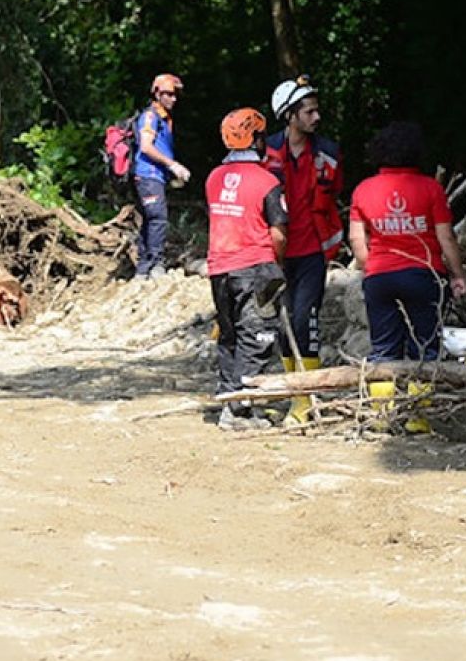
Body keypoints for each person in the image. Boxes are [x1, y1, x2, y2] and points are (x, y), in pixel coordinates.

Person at [348, 121, 466, 363]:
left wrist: (370, 267)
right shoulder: (431, 188)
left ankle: (382, 388)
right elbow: (446, 237)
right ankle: (423, 388)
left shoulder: (363, 190)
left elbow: (356, 239)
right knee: (426, 349)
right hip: (423, 276)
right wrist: (457, 275)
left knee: (383, 352)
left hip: (380, 277)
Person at [266, 74, 343, 425]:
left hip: (313, 249)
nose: (316, 117)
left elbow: (334, 193)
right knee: (283, 324)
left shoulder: (328, 152)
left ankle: (304, 400)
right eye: (309, 112)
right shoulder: (266, 152)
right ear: (289, 115)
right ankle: (293, 392)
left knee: (305, 319)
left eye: (316, 110)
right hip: (276, 251)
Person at [206, 108, 289, 431]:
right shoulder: (268, 181)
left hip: (219, 268)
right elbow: (278, 232)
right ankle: (239, 408)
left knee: (229, 335)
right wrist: (277, 264)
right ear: (256, 139)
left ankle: (229, 398)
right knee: (258, 336)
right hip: (255, 267)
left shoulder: (214, 178)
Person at [132, 73, 190, 279]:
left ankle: (143, 268)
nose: (173, 99)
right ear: (157, 94)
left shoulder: (164, 119)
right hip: (148, 175)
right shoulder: (150, 117)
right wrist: (173, 165)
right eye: (168, 94)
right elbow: (146, 147)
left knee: (149, 219)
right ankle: (155, 265)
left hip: (154, 176)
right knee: (157, 218)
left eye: (175, 95)